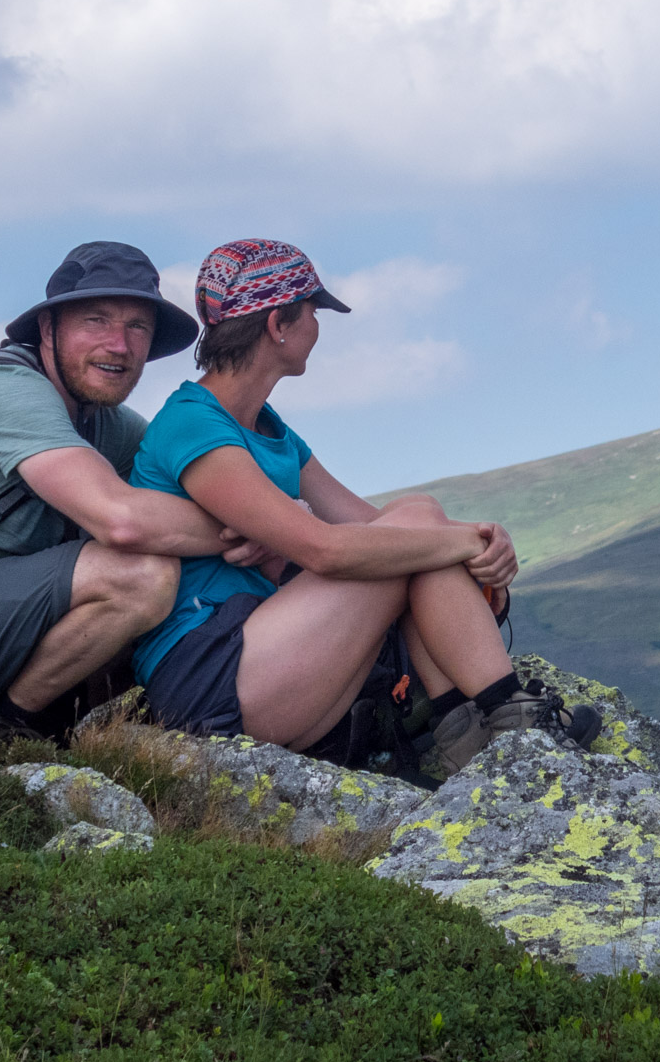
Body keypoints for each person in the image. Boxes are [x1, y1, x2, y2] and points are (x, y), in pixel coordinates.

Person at [129, 238, 599, 776]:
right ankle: (512, 722)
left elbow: (379, 527)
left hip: (272, 653)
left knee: (417, 514)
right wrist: (472, 542)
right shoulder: (193, 423)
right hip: (212, 678)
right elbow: (325, 550)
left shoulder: (270, 429)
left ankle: (467, 734)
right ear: (279, 324)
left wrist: (474, 541)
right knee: (413, 535)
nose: (318, 328)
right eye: (312, 312)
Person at [0, 241, 256, 750]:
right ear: (48, 329)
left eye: (138, 327)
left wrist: (274, 515)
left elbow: (195, 479)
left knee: (175, 556)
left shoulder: (97, 420)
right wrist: (260, 528)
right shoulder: (5, 392)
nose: (120, 344)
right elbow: (124, 521)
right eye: (96, 320)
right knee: (142, 573)